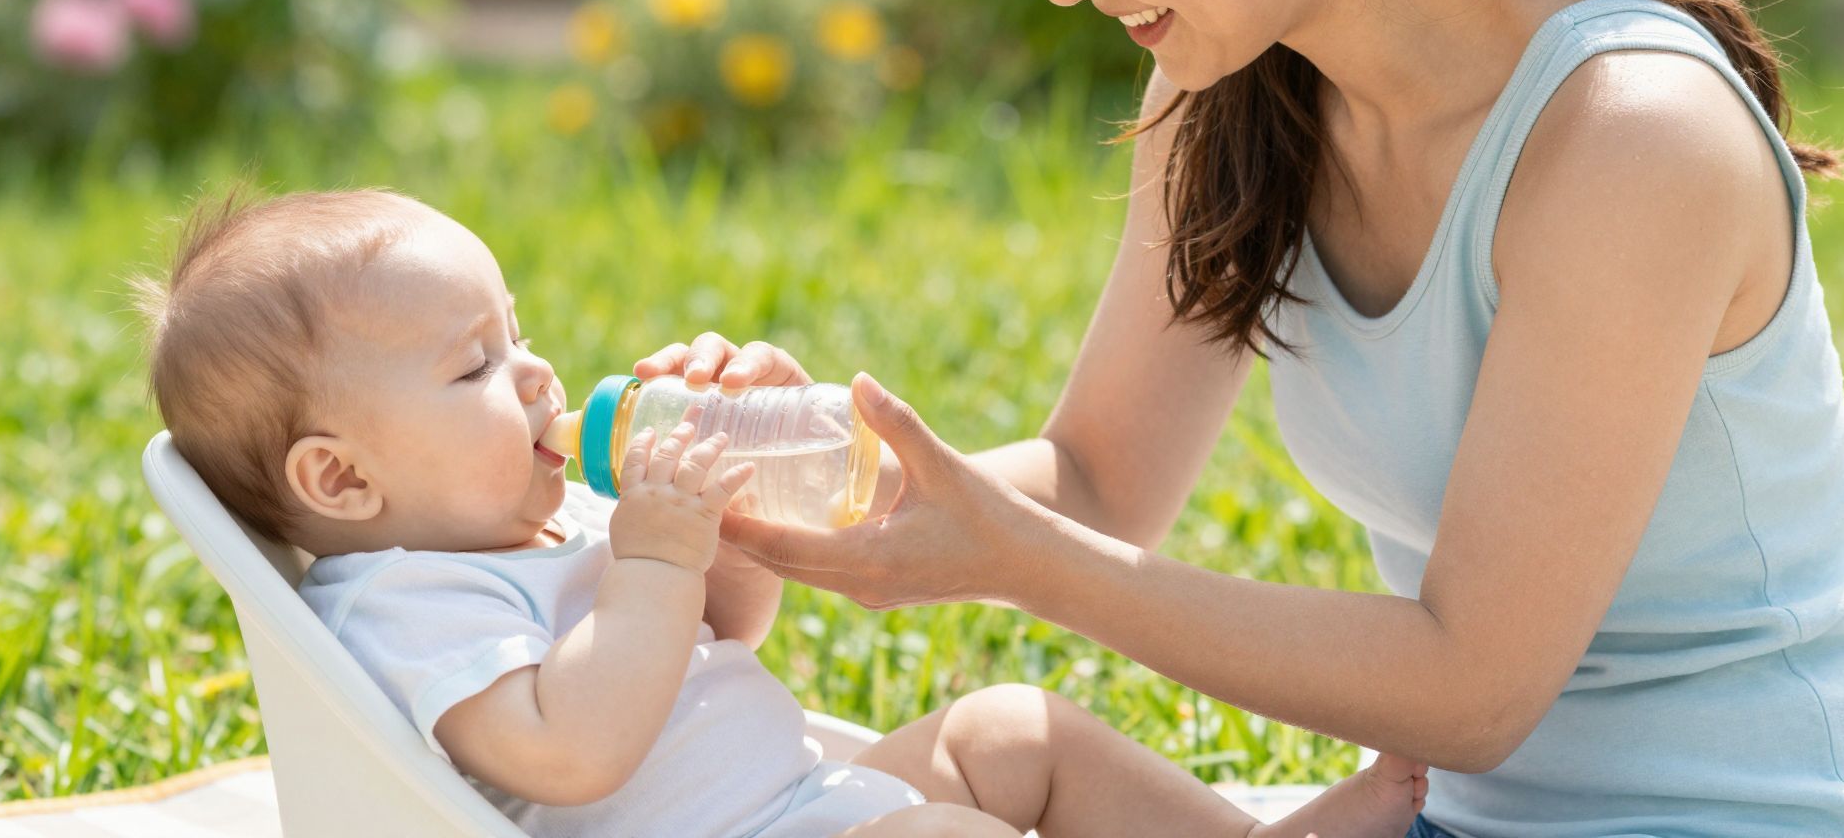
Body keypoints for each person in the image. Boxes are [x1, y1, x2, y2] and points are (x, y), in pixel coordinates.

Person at [683, 0, 1844, 835]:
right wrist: (799, 472)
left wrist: (1018, 559)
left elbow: (1471, 689)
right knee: (978, 756)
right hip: (1450, 823)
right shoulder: (1229, 92)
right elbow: (1097, 478)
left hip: (1747, 819)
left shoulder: (1629, 137)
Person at [130, 187, 1430, 838]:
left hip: (804, 803)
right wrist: (650, 556)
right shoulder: (409, 601)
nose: (533, 375)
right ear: (341, 481)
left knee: (1011, 730)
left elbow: (727, 630)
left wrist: (726, 516)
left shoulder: (539, 521)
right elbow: (569, 757)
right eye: (473, 367)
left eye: (515, 333)